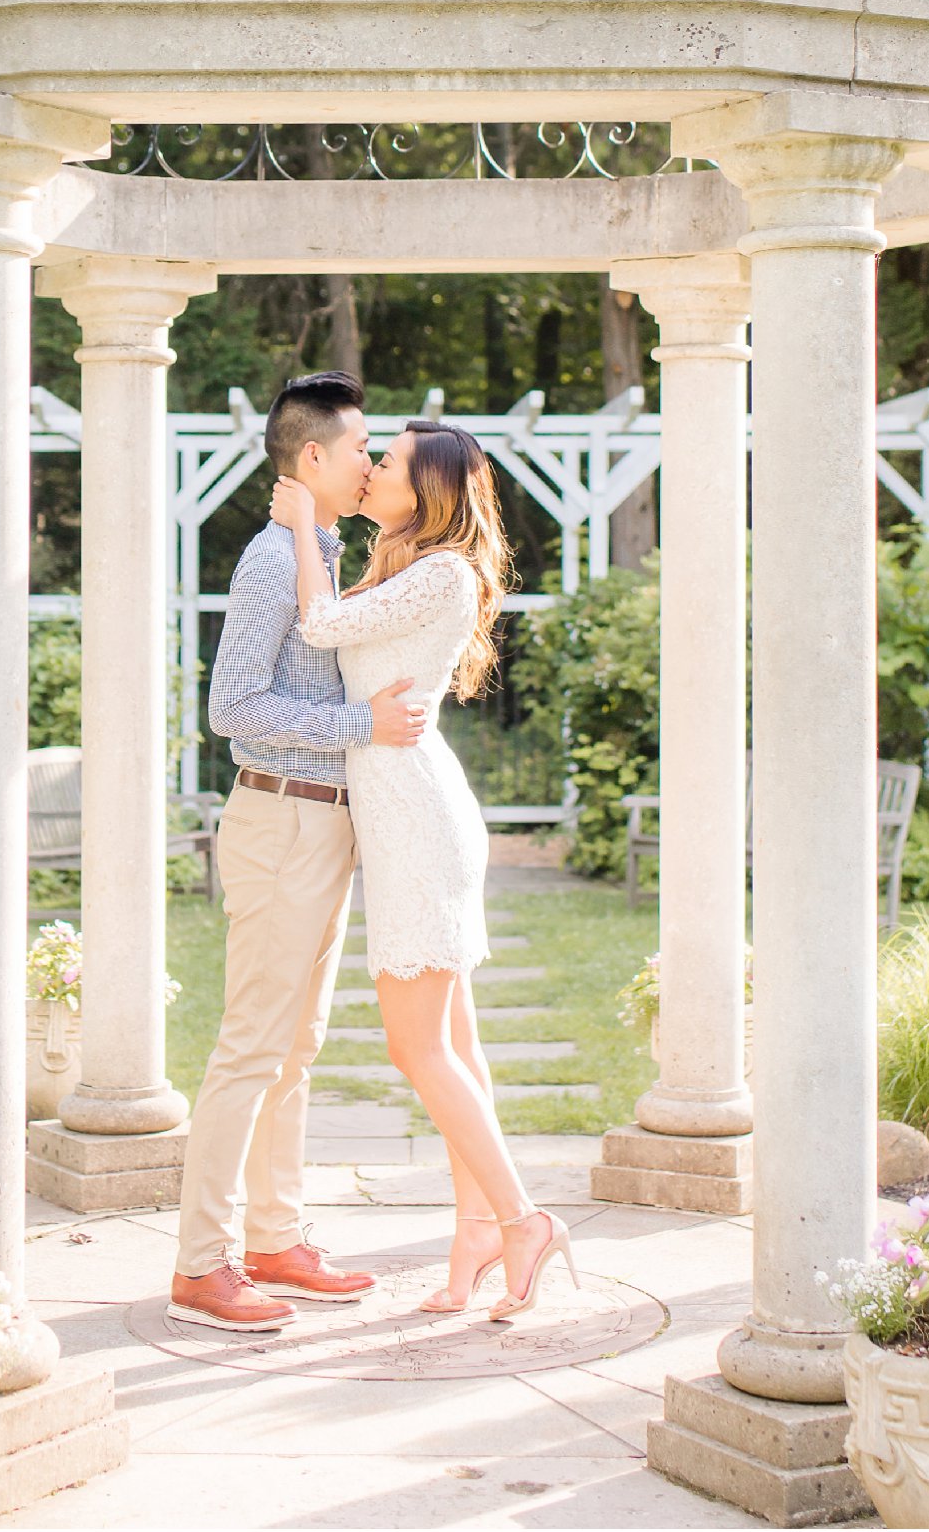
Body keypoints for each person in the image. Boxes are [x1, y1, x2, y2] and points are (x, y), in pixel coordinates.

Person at [271, 422, 579, 1321]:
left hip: (417, 820)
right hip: (409, 805)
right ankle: (475, 1234)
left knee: (417, 1047)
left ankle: (523, 1221)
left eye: (389, 464)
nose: (371, 471)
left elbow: (321, 626)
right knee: (461, 1047)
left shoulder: (442, 572)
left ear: (430, 490)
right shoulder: (403, 560)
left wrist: (300, 524)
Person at [170, 372, 430, 1333]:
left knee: (297, 1046)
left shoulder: (314, 547)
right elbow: (230, 708)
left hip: (322, 825)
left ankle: (275, 1239)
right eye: (360, 446)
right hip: (280, 820)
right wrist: (361, 724)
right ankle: (203, 1264)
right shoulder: (272, 562)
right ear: (312, 457)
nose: (370, 461)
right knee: (251, 1046)